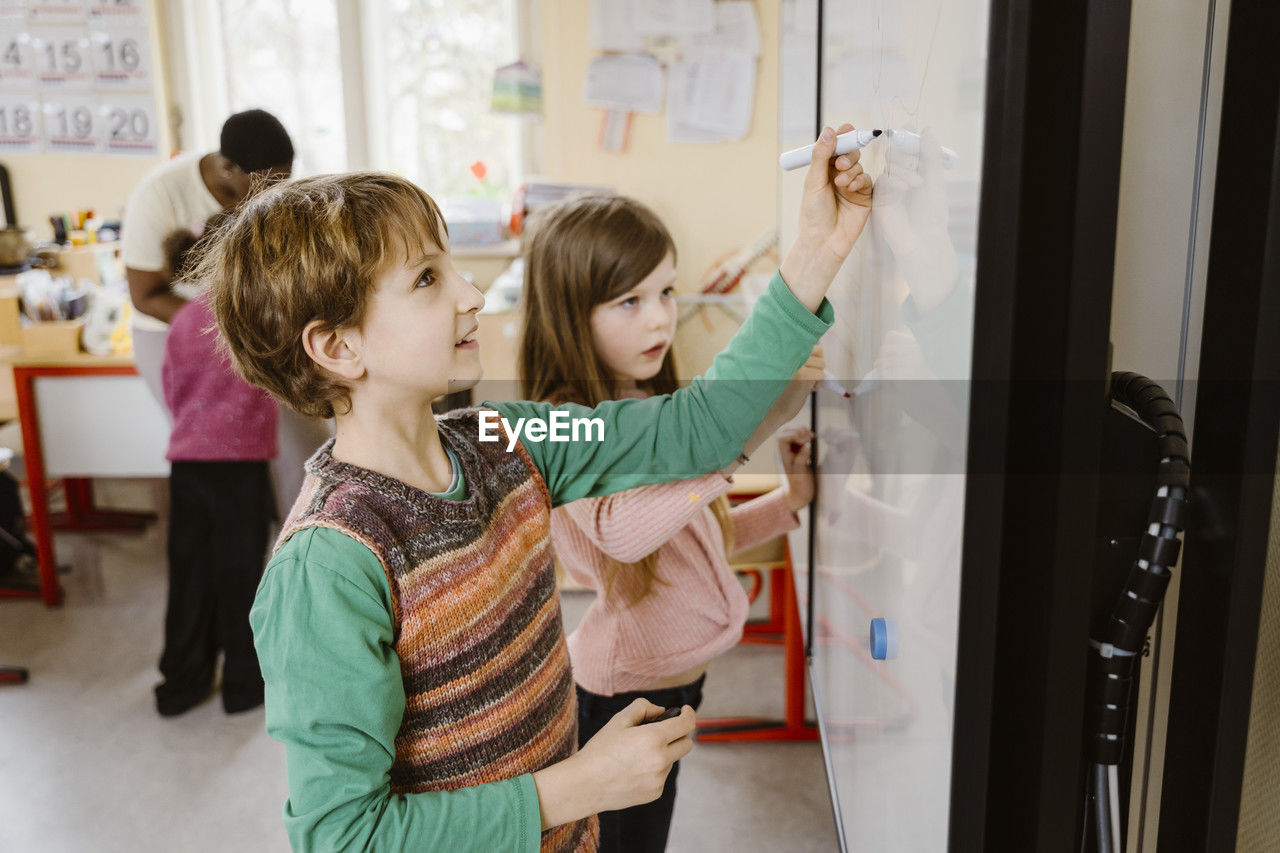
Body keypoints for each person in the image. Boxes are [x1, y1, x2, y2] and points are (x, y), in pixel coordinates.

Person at [196, 123, 871, 851]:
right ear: (337, 346)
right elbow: (344, 836)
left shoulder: (511, 439)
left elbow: (689, 431)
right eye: (427, 278)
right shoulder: (327, 564)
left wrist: (816, 249)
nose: (473, 293)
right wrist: (583, 785)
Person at [519, 193, 820, 852]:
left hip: (673, 687)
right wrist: (744, 435)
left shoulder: (646, 403)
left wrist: (786, 503)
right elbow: (628, 531)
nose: (660, 318)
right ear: (572, 314)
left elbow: (701, 540)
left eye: (665, 291)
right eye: (629, 301)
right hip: (616, 698)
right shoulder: (562, 424)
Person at [121, 108, 328, 524]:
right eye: (266, 184)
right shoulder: (161, 193)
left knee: (303, 442)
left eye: (282, 181)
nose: (275, 192)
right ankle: (241, 563)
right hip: (177, 337)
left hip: (259, 332)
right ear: (226, 167)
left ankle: (304, 539)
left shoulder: (270, 190)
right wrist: (233, 324)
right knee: (224, 457)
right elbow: (145, 295)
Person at [153, 219, 278, 716]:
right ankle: (243, 686)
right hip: (239, 468)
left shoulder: (183, 320)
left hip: (187, 465)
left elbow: (171, 390)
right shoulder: (249, 318)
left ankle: (181, 683)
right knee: (242, 576)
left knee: (189, 575)